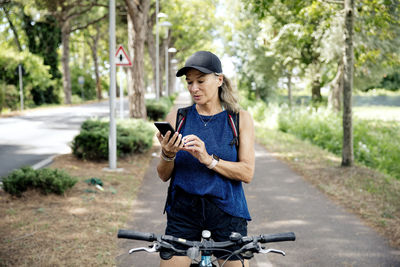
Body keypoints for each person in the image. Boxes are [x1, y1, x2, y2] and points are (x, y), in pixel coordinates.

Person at [156, 51, 255, 267]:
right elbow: (163, 175)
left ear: (219, 80)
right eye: (189, 82)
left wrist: (208, 159)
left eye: (200, 81)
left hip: (227, 210)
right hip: (183, 210)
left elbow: (247, 173)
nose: (193, 88)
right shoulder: (178, 118)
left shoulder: (239, 119)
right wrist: (167, 154)